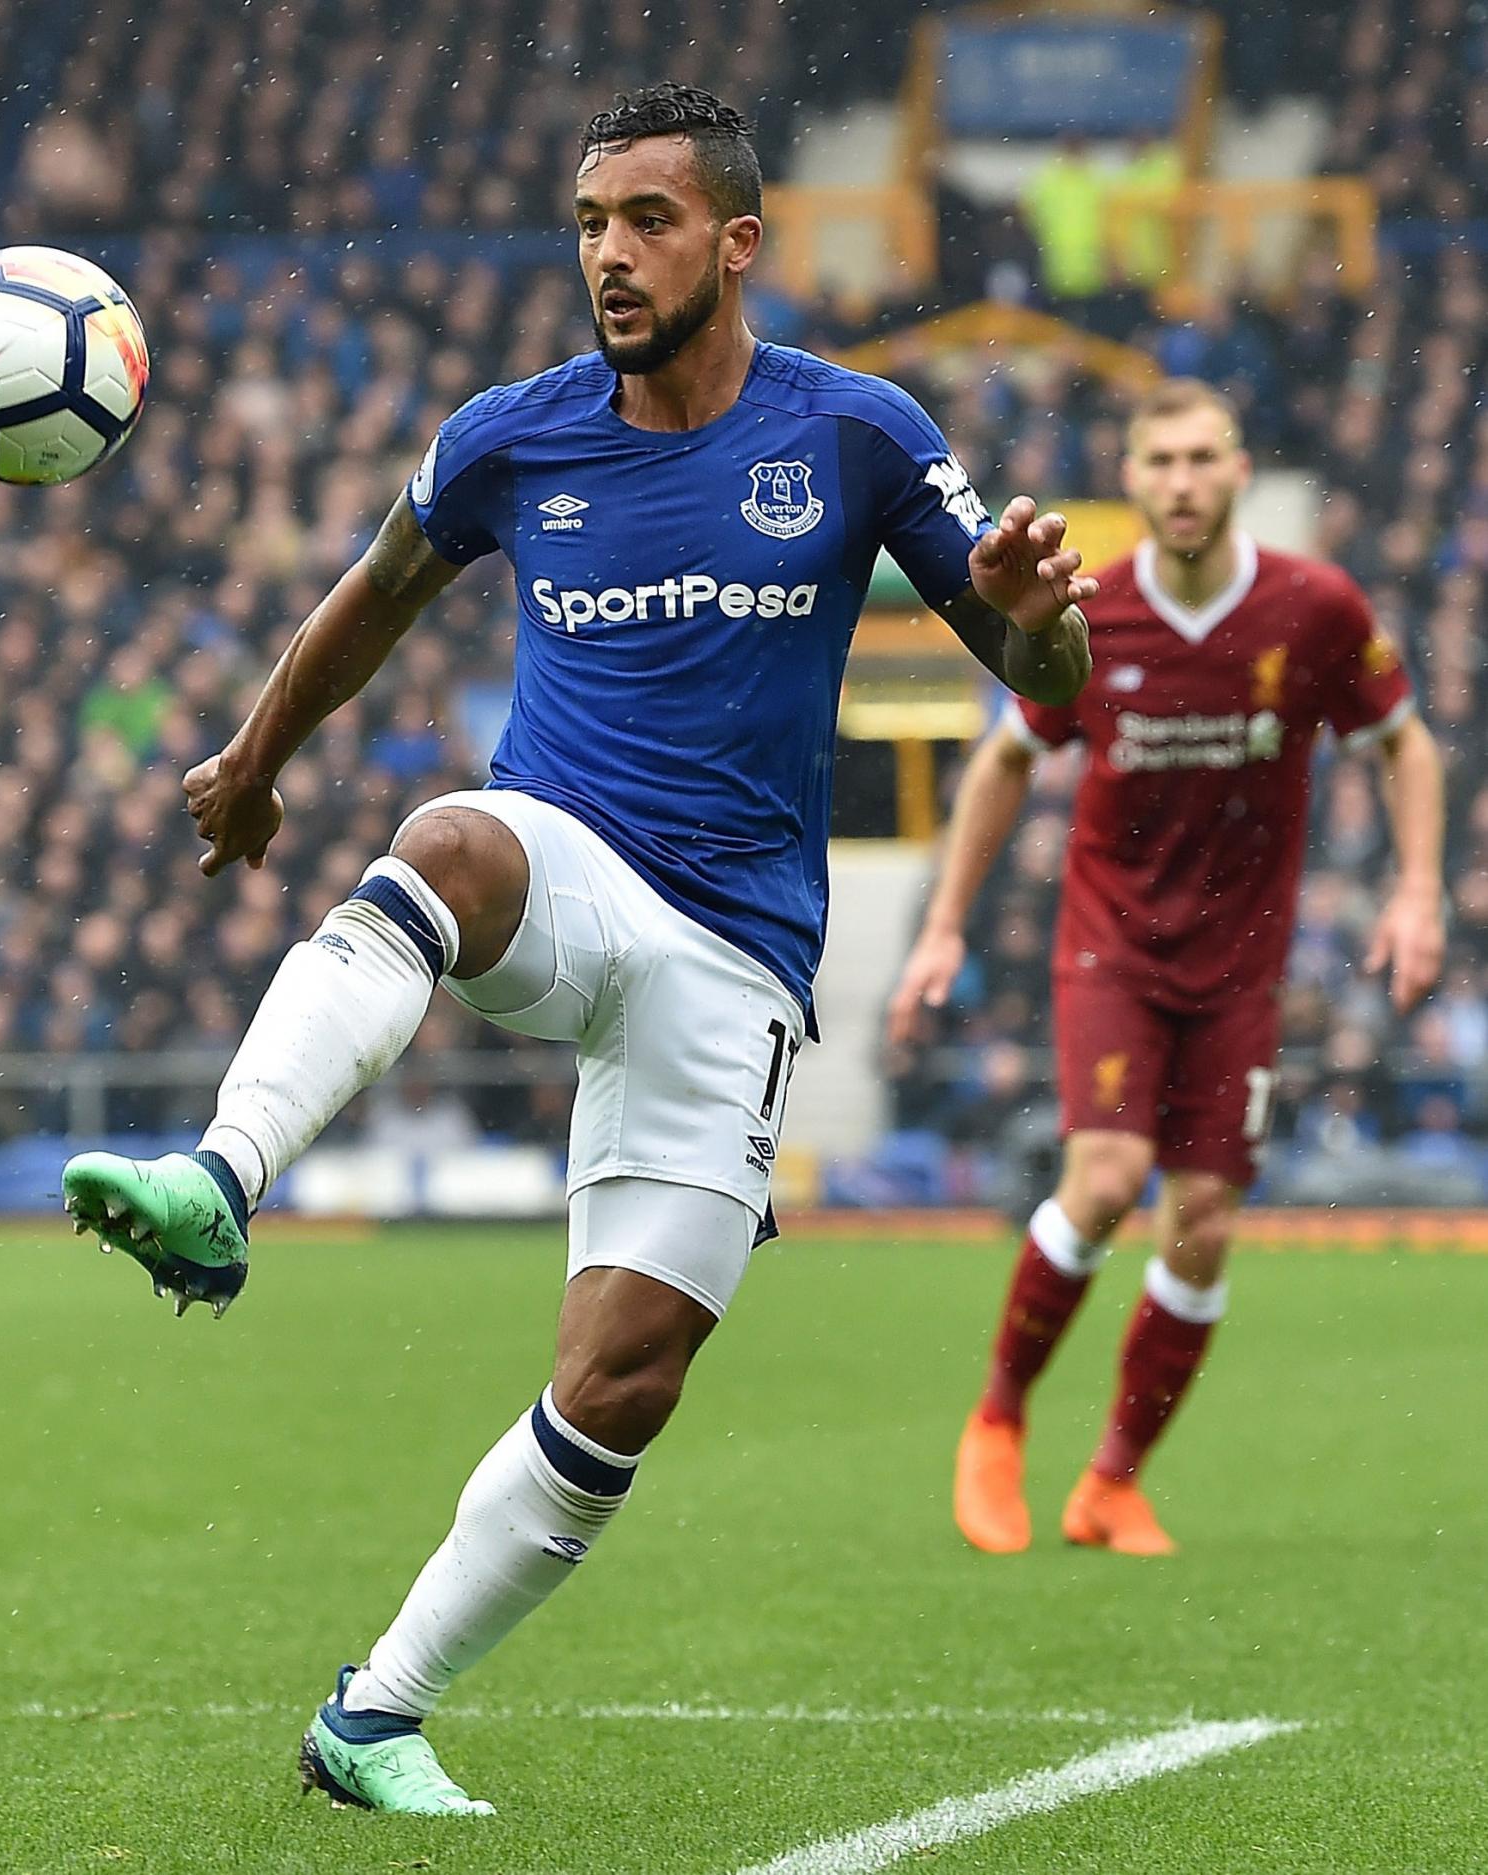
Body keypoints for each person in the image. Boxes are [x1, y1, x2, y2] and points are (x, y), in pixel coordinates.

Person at [60, 84, 1095, 1816]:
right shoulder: (511, 437)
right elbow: (371, 599)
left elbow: (1037, 682)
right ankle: (224, 1180)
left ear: (738, 242)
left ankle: (374, 1716)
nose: (610, 255)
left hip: (742, 951)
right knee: (450, 841)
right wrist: (253, 761)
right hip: (572, 861)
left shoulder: (856, 435)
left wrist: (1042, 619)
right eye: (592, 223)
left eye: (650, 222)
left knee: (623, 1384)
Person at [889, 377, 1444, 1558]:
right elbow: (999, 764)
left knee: (1201, 1223)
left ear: (1238, 471)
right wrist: (943, 923)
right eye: (1161, 463)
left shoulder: (1314, 610)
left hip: (1244, 969)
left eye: (1202, 459)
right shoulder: (1096, 613)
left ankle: (1109, 1484)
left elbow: (1405, 746)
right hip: (1112, 948)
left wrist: (1411, 891)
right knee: (1103, 1177)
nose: (1183, 482)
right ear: (1132, 481)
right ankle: (996, 1420)